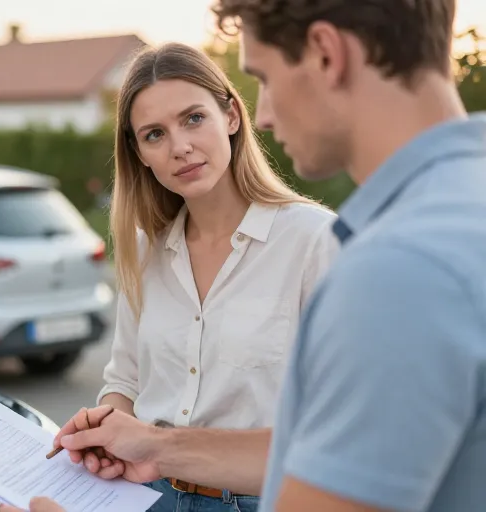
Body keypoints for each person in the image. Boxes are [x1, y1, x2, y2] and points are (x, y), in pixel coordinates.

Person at [0, 0, 486, 511]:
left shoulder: (396, 261)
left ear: (327, 53)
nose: (265, 115)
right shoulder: (452, 215)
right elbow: (327, 452)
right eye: (155, 134)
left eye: (264, 79)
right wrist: (157, 448)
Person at [94, 40, 338, 512]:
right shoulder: (144, 251)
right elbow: (125, 380)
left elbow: (343, 416)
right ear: (139, 152)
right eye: (154, 134)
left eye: (193, 118)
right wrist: (101, 431)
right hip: (149, 495)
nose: (180, 147)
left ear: (230, 116)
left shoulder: (314, 241)